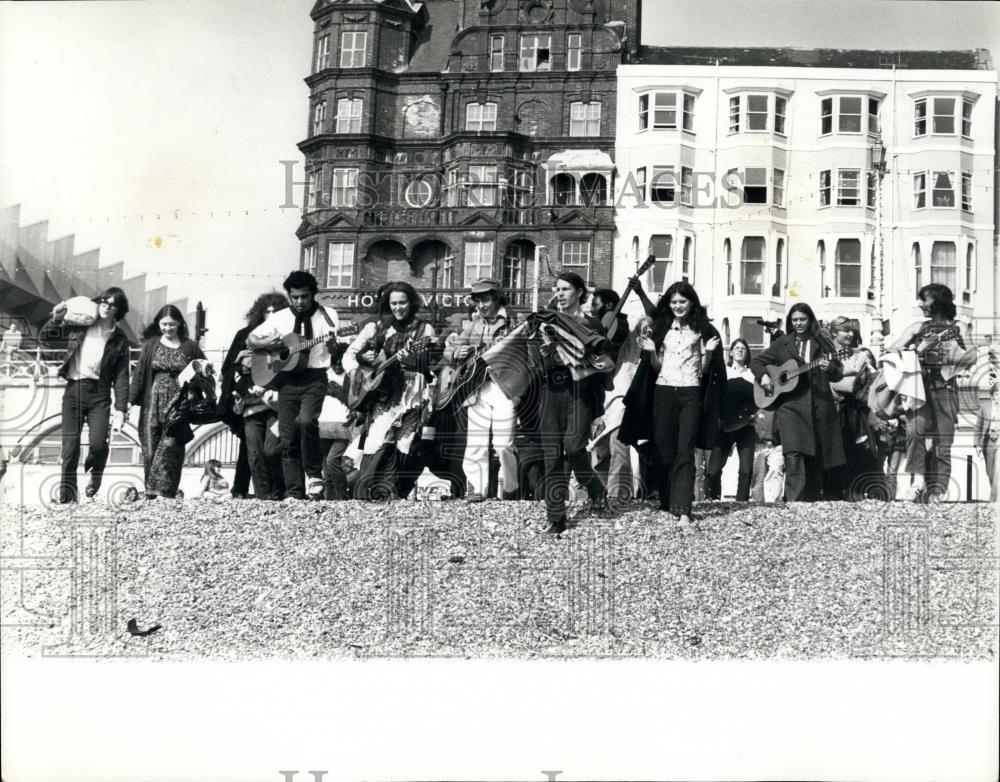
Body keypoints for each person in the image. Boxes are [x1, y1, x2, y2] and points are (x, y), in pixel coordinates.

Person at [620, 281, 725, 526]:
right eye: (674, 302)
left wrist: (708, 352)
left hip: (691, 392)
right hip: (664, 391)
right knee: (664, 450)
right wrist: (651, 352)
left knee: (685, 449)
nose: (678, 306)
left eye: (683, 301)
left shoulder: (702, 330)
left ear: (692, 303)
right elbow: (657, 368)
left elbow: (705, 371)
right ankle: (667, 500)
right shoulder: (662, 329)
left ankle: (684, 509)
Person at [247, 271, 342, 500]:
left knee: (306, 420)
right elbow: (251, 339)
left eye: (305, 297)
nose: (300, 302)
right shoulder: (279, 317)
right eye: (295, 297)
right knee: (288, 436)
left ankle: (313, 475)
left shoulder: (328, 315)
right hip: (287, 380)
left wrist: (333, 345)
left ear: (313, 295)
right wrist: (270, 342)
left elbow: (335, 351)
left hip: (315, 376)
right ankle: (294, 492)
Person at [343, 282, 437, 500]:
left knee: (405, 441)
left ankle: (395, 491)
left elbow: (429, 362)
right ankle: (369, 491)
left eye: (402, 302)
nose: (398, 307)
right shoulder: (377, 328)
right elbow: (349, 355)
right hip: (383, 393)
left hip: (413, 390)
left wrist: (415, 360)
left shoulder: (425, 330)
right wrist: (360, 367)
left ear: (411, 303)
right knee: (377, 438)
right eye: (393, 303)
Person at [535, 272, 610, 534]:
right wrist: (545, 354)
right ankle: (556, 518)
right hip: (551, 391)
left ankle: (595, 487)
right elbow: (535, 364)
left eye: (566, 288)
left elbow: (603, 365)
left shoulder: (593, 325)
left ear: (579, 292)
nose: (560, 293)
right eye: (557, 289)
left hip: (581, 392)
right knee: (552, 455)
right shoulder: (544, 323)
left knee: (575, 447)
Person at [749, 303, 844, 502]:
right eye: (795, 320)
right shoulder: (782, 343)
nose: (799, 323)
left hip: (817, 405)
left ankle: (809, 501)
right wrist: (765, 377)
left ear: (810, 320)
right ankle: (793, 501)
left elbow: (838, 373)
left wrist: (829, 368)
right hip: (790, 407)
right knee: (793, 453)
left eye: (802, 319)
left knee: (813, 456)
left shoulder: (822, 342)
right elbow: (756, 362)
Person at [45, 288, 131, 503]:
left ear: (118, 310)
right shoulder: (81, 325)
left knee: (99, 444)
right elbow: (47, 339)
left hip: (99, 394)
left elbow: (121, 376)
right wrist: (55, 318)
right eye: (103, 301)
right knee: (70, 448)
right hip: (74, 390)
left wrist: (121, 409)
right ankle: (67, 497)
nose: (106, 306)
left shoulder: (119, 339)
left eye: (112, 304)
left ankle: (95, 476)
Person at [888, 283, 968, 502]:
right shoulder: (916, 327)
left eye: (924, 299)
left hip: (946, 388)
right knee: (915, 432)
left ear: (938, 301)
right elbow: (891, 351)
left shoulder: (958, 326)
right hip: (918, 387)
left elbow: (971, 357)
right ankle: (917, 481)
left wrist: (950, 352)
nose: (921, 304)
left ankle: (939, 490)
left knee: (944, 440)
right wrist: (912, 353)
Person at [444, 278, 519, 502]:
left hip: (504, 387)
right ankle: (476, 489)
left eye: (485, 299)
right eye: (477, 300)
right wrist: (456, 354)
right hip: (476, 388)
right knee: (475, 442)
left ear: (496, 298)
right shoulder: (472, 324)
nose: (481, 305)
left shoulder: (514, 321)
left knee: (503, 444)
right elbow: (449, 350)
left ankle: (510, 488)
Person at [129, 305, 206, 499]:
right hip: (153, 403)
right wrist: (129, 402)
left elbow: (203, 368)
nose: (167, 328)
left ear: (179, 323)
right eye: (163, 324)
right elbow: (139, 375)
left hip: (179, 403)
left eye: (171, 324)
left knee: (172, 447)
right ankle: (151, 494)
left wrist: (202, 375)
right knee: (151, 448)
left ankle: (167, 493)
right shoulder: (151, 345)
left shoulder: (190, 346)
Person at [219, 292, 288, 499]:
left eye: (276, 312)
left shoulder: (289, 335)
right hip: (250, 400)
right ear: (260, 313)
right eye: (267, 311)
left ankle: (279, 493)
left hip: (275, 402)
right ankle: (261, 496)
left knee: (272, 450)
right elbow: (229, 367)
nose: (271, 315)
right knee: (254, 452)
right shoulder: (246, 334)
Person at [826, 318, 885, 500]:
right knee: (834, 454)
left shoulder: (858, 355)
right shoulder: (823, 355)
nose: (851, 334)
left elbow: (856, 385)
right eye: (846, 330)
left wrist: (833, 382)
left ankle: (857, 495)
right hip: (830, 411)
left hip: (853, 411)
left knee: (859, 453)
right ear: (834, 333)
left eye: (853, 331)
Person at [705, 338, 757, 502]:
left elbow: (761, 398)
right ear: (731, 352)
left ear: (747, 353)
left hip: (746, 424)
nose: (740, 350)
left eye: (743, 348)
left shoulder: (753, 374)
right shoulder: (724, 371)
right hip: (725, 425)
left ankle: (741, 503)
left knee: (745, 470)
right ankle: (713, 499)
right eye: (737, 348)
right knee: (713, 470)